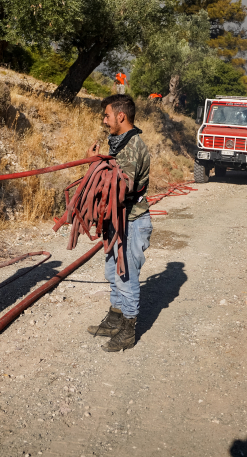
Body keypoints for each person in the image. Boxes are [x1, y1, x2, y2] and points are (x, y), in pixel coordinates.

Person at [85, 95, 153, 351]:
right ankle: (115, 319)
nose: (105, 121)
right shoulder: (120, 143)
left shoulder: (133, 145)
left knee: (126, 276)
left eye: (107, 116)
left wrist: (95, 164)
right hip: (118, 220)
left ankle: (128, 330)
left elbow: (121, 188)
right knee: (113, 273)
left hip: (132, 221)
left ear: (120, 116)